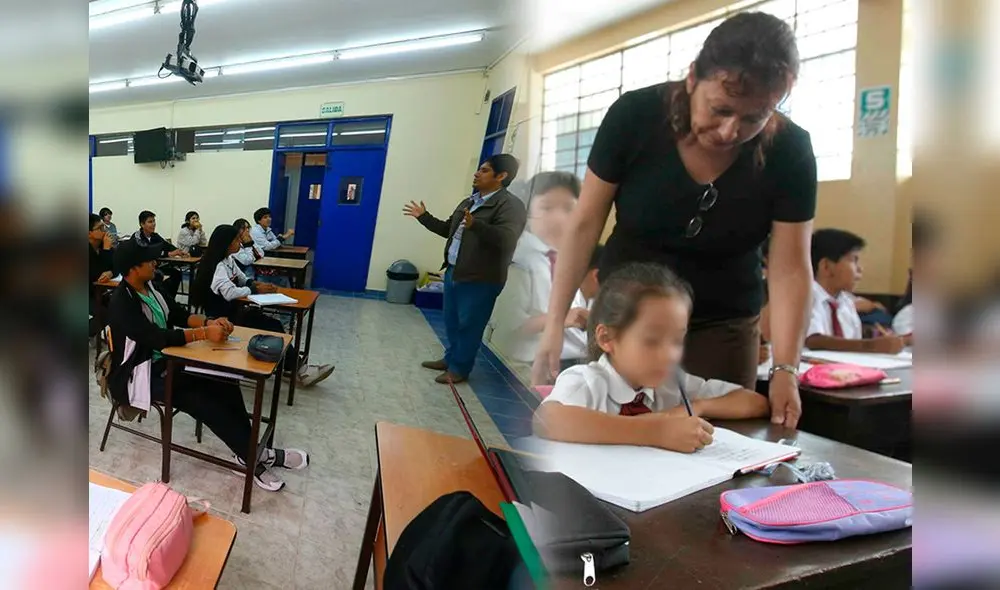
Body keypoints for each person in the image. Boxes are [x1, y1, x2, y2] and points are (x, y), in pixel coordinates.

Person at [533, 13, 814, 429]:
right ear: (691, 79)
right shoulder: (635, 116)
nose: (729, 131)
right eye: (719, 109)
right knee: (615, 423)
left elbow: (791, 268)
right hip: (631, 317)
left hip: (723, 322)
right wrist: (554, 324)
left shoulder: (790, 150)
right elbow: (585, 222)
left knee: (715, 443)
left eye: (754, 118)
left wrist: (785, 369)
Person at [106, 239, 309, 491]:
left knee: (225, 380)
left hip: (169, 360)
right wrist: (204, 333)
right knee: (201, 401)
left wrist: (211, 321)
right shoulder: (121, 302)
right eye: (148, 261)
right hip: (141, 374)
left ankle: (249, 452)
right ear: (133, 269)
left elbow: (178, 314)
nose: (155, 263)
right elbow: (156, 338)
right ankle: (253, 456)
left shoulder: (152, 286)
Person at [533, 263, 769, 452]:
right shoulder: (587, 381)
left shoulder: (673, 386)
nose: (669, 354)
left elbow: (755, 403)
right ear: (607, 338)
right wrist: (654, 431)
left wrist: (698, 406)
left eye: (676, 340)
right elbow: (546, 419)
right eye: (652, 341)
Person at [403, 153, 527, 384]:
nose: (477, 173)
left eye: (485, 170)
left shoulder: (510, 206)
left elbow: (507, 239)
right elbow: (447, 229)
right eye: (478, 169)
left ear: (502, 176)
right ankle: (451, 359)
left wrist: (476, 226)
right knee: (451, 321)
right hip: (454, 271)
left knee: (470, 324)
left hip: (482, 278)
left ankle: (459, 369)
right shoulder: (469, 201)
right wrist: (424, 217)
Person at [191, 224, 335, 388]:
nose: (240, 242)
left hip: (235, 310)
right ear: (227, 243)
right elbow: (229, 293)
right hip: (223, 318)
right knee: (272, 326)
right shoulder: (216, 266)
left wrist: (254, 283)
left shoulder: (228, 260)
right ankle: (299, 370)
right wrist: (254, 289)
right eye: (237, 239)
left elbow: (242, 277)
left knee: (273, 324)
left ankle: (293, 367)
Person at [806, 228, 906, 354]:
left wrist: (872, 336)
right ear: (826, 266)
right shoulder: (805, 296)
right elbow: (814, 341)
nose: (860, 269)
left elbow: (853, 341)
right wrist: (870, 346)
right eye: (854, 260)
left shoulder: (845, 302)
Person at [132, 210, 184, 298]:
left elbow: (167, 245)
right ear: (142, 224)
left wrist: (179, 251)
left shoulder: (155, 236)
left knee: (176, 273)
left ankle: (170, 301)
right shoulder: (137, 236)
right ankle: (162, 300)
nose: (153, 224)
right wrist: (169, 254)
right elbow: (147, 252)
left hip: (155, 267)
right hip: (142, 269)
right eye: (150, 222)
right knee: (160, 278)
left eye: (154, 221)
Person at [250, 207, 293, 287]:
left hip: (267, 258)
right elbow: (268, 246)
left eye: (269, 217)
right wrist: (285, 236)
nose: (269, 219)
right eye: (265, 217)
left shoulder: (267, 229)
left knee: (286, 274)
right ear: (259, 220)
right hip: (259, 260)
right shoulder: (255, 231)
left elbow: (276, 242)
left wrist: (279, 239)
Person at [89, 214, 115, 318]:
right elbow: (97, 275)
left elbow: (117, 265)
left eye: (103, 226)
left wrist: (111, 272)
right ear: (89, 233)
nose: (104, 230)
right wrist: (106, 250)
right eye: (100, 228)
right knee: (106, 316)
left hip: (103, 293)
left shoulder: (103, 245)